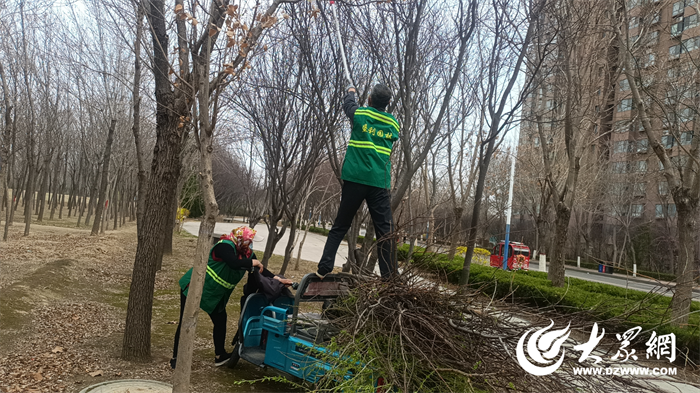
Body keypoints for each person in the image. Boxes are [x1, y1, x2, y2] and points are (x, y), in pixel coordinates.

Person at [170, 226, 290, 369]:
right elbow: (233, 263)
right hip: (195, 287)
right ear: (240, 239)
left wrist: (277, 279)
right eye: (249, 241)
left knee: (221, 321)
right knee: (185, 322)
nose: (250, 244)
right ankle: (176, 358)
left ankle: (220, 355)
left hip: (216, 294)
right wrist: (253, 263)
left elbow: (261, 270)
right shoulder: (224, 246)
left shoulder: (247, 254)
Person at [316, 84, 400, 279]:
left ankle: (325, 265)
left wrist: (351, 92)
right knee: (385, 231)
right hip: (379, 183)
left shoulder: (360, 115)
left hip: (355, 179)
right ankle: (390, 276)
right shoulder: (393, 124)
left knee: (341, 224)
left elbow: (349, 106)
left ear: (369, 99)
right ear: (388, 103)